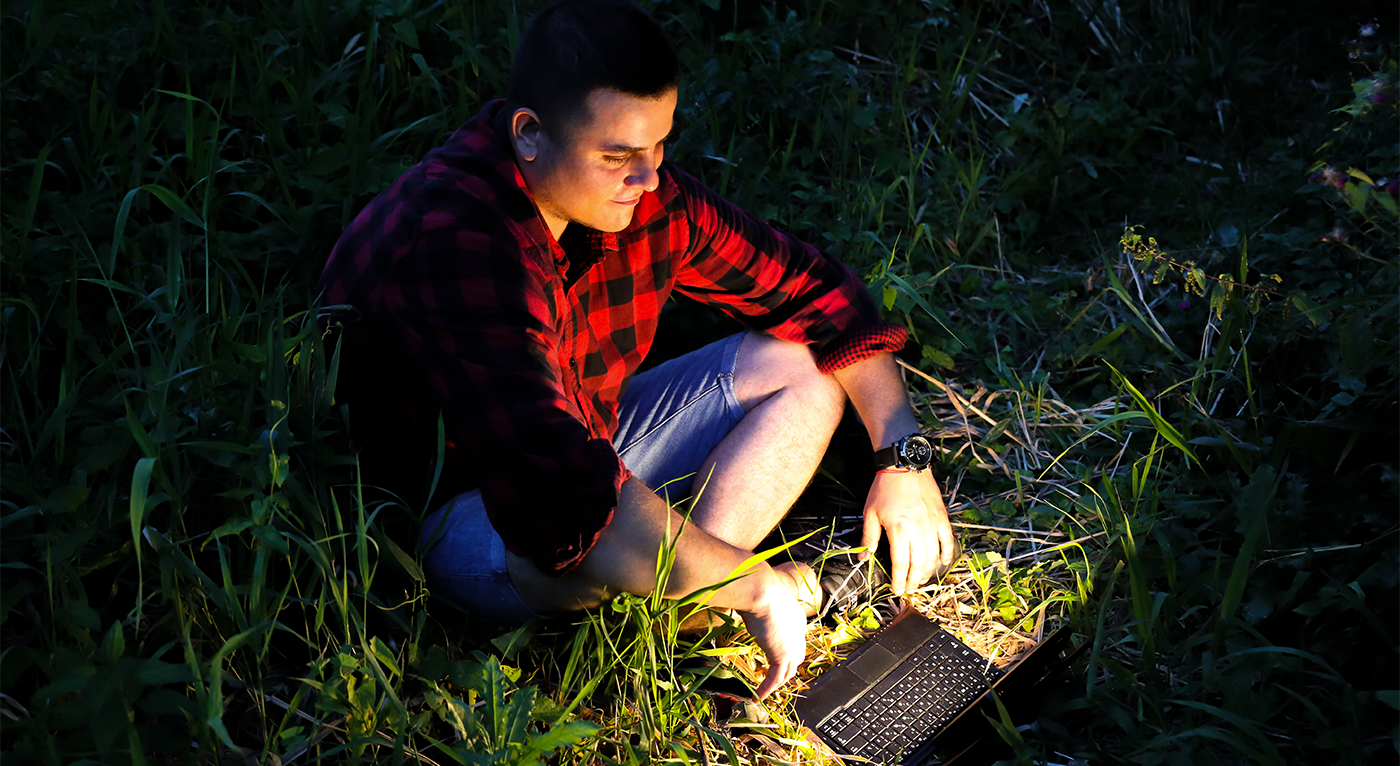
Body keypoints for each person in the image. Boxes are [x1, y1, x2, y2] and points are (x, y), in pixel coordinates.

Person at [318, 0, 955, 699]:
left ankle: (685, 603)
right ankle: (712, 594)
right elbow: (560, 499)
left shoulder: (640, 198)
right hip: (457, 510)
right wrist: (755, 585)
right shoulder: (459, 242)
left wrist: (903, 455)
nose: (647, 178)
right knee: (560, 557)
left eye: (658, 148)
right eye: (618, 155)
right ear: (529, 134)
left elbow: (820, 294)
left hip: (584, 448)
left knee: (804, 360)